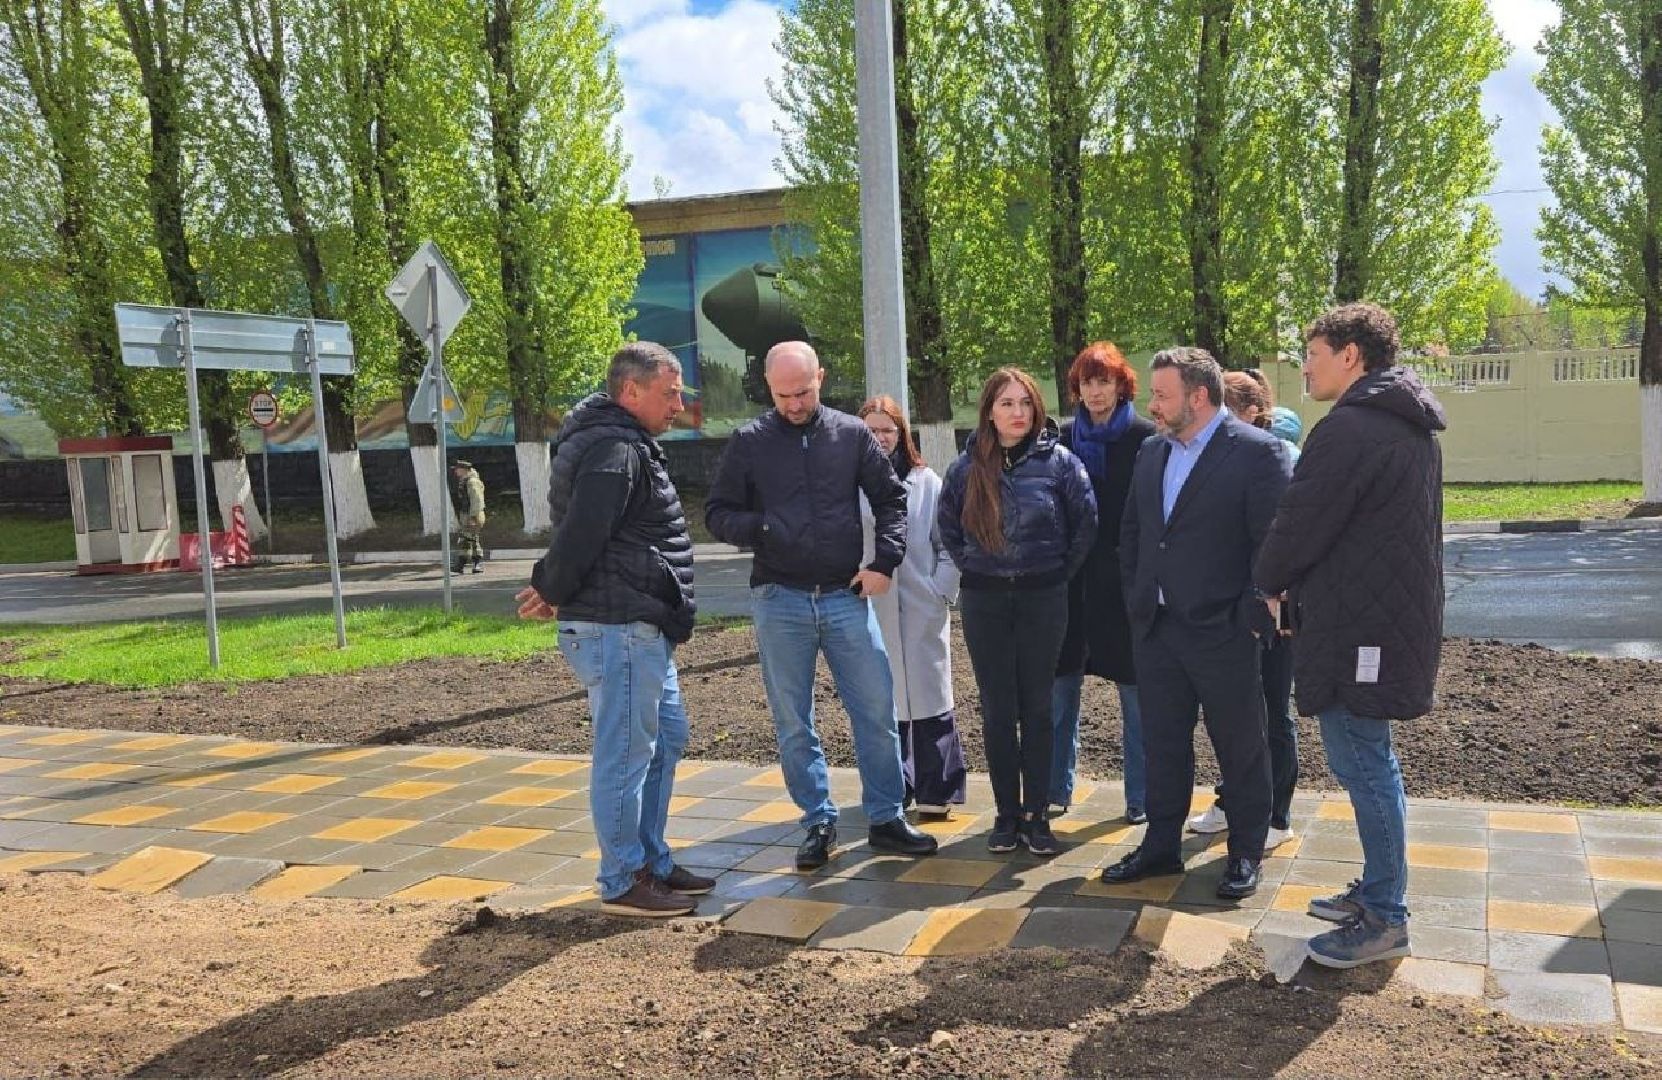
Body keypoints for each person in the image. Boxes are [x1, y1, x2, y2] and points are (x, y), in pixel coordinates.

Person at [1255, 302, 1447, 967]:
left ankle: (1387, 915)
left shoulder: (1352, 429)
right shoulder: (1404, 422)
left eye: (1312, 352)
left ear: (1350, 356)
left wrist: (1269, 578)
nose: (1304, 365)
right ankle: (1378, 888)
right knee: (1371, 758)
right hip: (1376, 619)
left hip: (1361, 628)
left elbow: (1300, 521)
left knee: (1364, 762)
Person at [705, 341, 938, 870]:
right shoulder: (749, 442)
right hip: (778, 598)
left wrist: (885, 562)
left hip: (844, 597)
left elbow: (891, 500)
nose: (794, 403)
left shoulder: (851, 435)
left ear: (822, 379)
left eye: (804, 391)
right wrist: (762, 526)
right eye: (783, 394)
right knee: (793, 719)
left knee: (877, 709)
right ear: (768, 387)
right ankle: (816, 821)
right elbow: (718, 513)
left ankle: (885, 817)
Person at [512, 342, 706, 918]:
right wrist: (552, 588)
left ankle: (650, 860)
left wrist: (556, 590)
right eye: (669, 393)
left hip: (636, 623)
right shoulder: (615, 449)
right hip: (618, 628)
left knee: (667, 737)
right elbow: (582, 532)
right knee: (625, 753)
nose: (678, 404)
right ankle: (622, 879)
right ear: (631, 392)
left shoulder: (623, 444)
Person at [1100, 346, 1291, 901]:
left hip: (1224, 631)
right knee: (1162, 742)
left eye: (1161, 395)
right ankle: (1161, 846)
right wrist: (1139, 599)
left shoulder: (1259, 453)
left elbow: (1271, 548)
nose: (1151, 405)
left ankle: (1245, 853)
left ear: (1199, 397)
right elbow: (1134, 532)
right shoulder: (1152, 452)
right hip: (1157, 629)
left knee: (1240, 744)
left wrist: (1249, 618)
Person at [938, 367, 1096, 857]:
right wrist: (981, 570)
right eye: (1006, 403)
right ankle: (1007, 814)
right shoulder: (966, 469)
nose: (1017, 413)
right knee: (998, 710)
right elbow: (949, 527)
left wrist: (1050, 575)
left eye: (1025, 403)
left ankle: (1038, 815)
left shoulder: (1061, 464)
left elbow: (1084, 526)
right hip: (985, 601)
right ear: (989, 410)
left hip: (1043, 599)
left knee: (1040, 707)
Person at [1185, 370, 1302, 850]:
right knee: (1235, 709)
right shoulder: (1212, 457)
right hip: (1232, 606)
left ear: (1254, 413)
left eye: (1228, 410)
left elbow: (1290, 540)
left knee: (1275, 708)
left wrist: (1281, 608)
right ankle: (1233, 799)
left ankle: (1277, 813)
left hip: (1282, 606)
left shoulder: (1281, 456)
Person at [1050, 343, 1157, 823]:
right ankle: (1054, 791)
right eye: (1087, 382)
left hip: (1125, 585)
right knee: (1059, 692)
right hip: (1068, 586)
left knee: (1138, 697)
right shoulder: (1061, 437)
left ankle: (1142, 798)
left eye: (1104, 381)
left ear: (1121, 385)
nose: (1095, 391)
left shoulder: (1145, 439)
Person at [858, 396, 967, 816]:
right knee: (884, 701)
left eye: (887, 430)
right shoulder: (851, 484)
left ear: (902, 435)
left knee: (930, 698)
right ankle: (893, 789)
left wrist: (940, 589)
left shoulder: (927, 482)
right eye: (871, 430)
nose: (880, 438)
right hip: (873, 607)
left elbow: (949, 544)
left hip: (923, 606)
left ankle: (937, 790)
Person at [450, 459, 487, 574]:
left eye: (457, 469)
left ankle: (462, 564)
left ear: (464, 470)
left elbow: (477, 500)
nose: (456, 472)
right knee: (472, 539)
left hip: (472, 515)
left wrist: (473, 517)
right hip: (467, 515)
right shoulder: (466, 481)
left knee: (466, 540)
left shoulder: (471, 482)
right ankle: (475, 564)